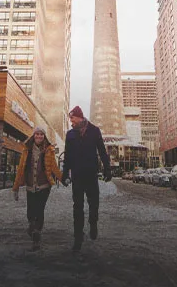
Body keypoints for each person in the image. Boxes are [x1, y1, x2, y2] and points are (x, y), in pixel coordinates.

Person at [61, 106, 112, 252]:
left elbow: (102, 151)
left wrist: (107, 169)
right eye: (70, 118)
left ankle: (93, 223)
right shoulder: (70, 134)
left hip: (91, 174)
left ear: (79, 117)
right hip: (77, 176)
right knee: (77, 207)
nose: (71, 121)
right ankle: (78, 237)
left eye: (72, 118)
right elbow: (68, 156)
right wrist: (65, 174)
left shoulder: (94, 131)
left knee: (93, 203)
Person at [12, 127, 62, 251]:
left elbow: (54, 168)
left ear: (44, 137)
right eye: (37, 134)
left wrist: (63, 178)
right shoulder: (26, 150)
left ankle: (36, 238)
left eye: (41, 134)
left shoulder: (49, 150)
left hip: (44, 186)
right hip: (30, 186)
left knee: (39, 211)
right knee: (30, 212)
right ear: (33, 136)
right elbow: (21, 169)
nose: (39, 136)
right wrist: (16, 187)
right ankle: (32, 227)